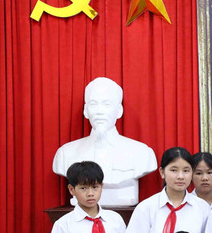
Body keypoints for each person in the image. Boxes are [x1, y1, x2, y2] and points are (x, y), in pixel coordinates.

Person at [52, 77, 157, 207]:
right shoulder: (65, 153)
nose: (99, 111)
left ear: (119, 111)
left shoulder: (142, 153)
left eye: (107, 104)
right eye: (93, 104)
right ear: (86, 111)